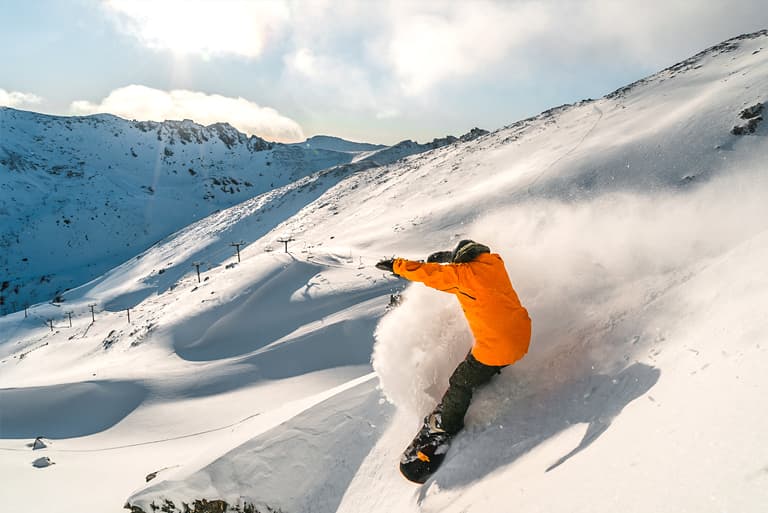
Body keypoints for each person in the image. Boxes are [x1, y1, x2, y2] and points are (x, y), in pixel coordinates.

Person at [376, 239, 532, 440]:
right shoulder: (495, 264)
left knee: (460, 381)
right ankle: (491, 370)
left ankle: (446, 424)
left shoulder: (462, 276)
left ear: (462, 261)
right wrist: (449, 258)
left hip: (500, 347)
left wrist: (397, 265)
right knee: (477, 352)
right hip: (522, 335)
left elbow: (430, 274)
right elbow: (464, 263)